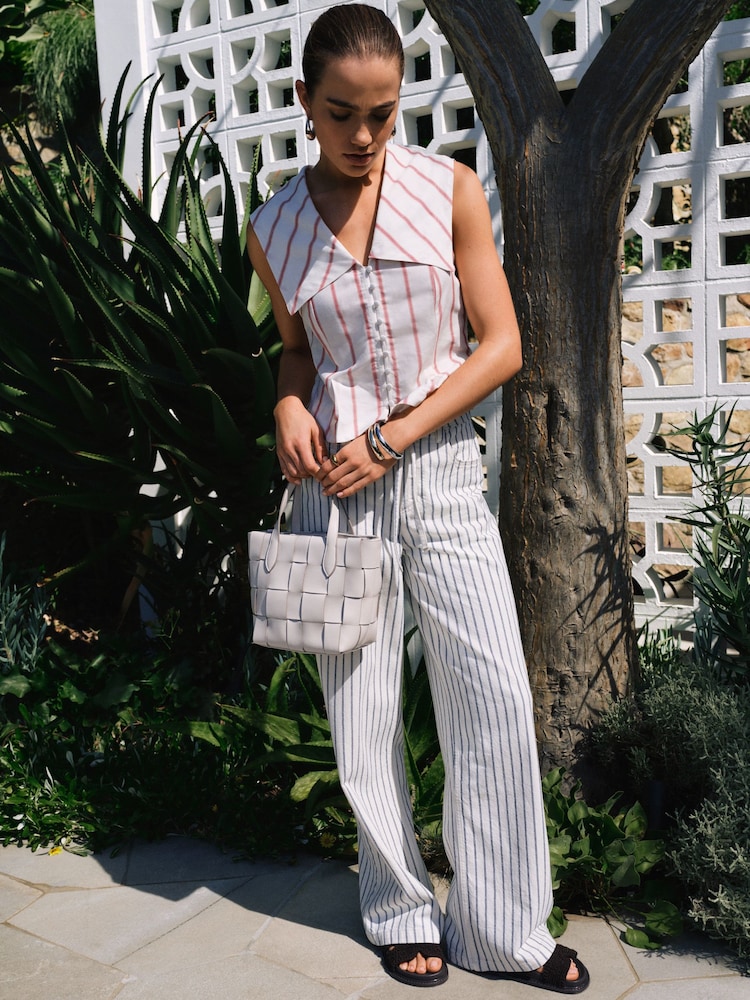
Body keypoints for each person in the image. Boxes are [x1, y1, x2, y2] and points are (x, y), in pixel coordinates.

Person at [247, 4, 589, 993]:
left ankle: (506, 929)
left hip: (435, 474)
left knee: (491, 692)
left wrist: (395, 434)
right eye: (343, 113)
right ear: (306, 103)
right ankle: (398, 906)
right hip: (336, 497)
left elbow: (502, 346)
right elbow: (300, 350)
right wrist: (286, 406)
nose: (364, 137)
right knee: (361, 714)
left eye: (385, 114)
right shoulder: (277, 227)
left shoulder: (449, 190)